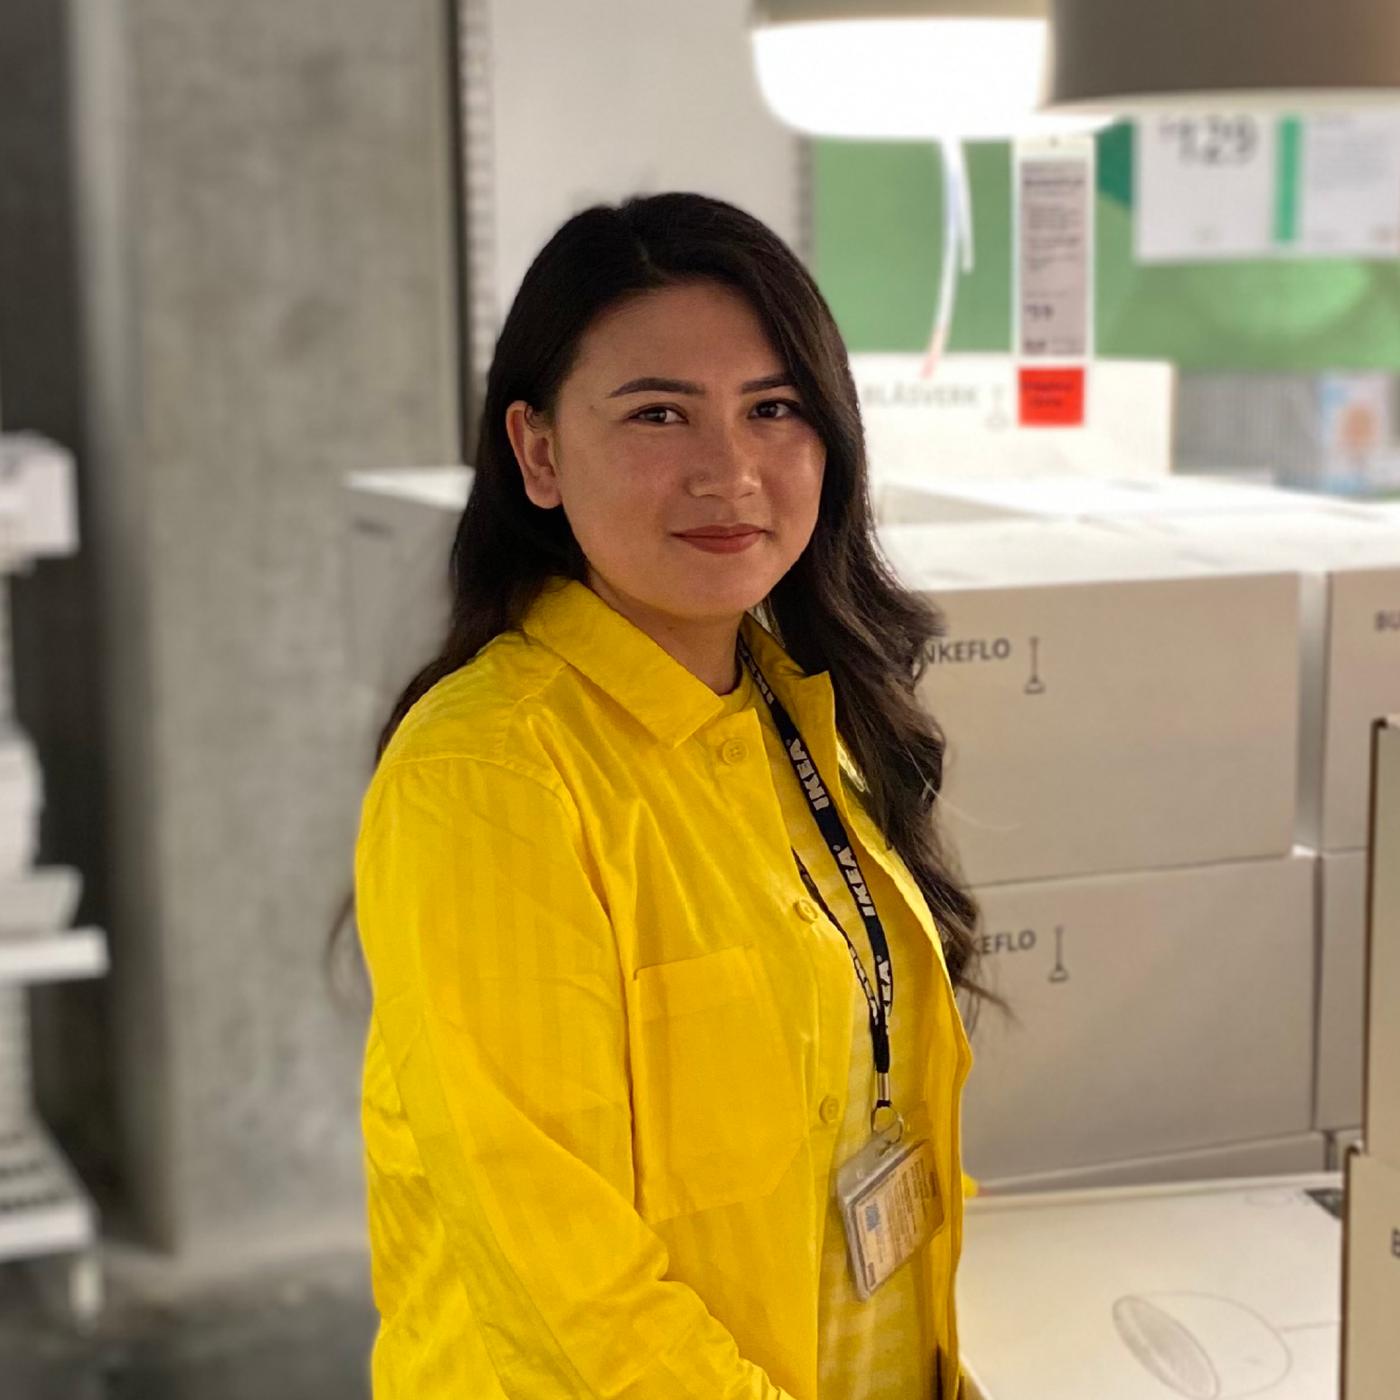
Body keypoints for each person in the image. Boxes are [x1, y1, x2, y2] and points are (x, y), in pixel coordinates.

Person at [351, 191, 985, 1399]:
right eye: (658, 413)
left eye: (772, 408)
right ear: (538, 452)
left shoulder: (796, 714)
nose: (728, 471)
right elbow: (567, 1283)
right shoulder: (487, 775)